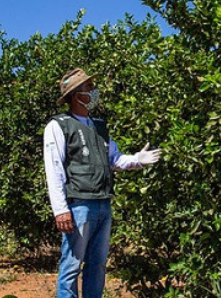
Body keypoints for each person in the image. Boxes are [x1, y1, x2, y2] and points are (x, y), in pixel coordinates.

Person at [43, 68, 162, 298]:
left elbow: (114, 159)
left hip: (102, 204)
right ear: (76, 95)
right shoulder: (59, 126)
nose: (93, 91)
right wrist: (60, 210)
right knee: (71, 266)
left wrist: (137, 160)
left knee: (97, 265)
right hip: (79, 205)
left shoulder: (99, 127)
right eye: (88, 88)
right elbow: (54, 168)